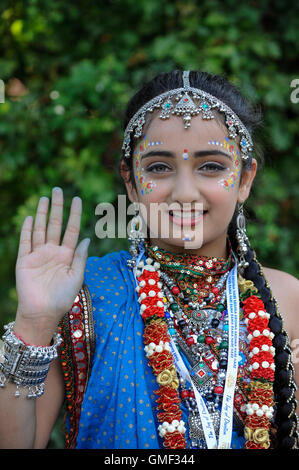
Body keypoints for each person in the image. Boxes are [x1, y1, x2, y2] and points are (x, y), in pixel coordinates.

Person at [0, 70, 298, 450]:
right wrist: (34, 323)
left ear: (244, 179)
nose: (185, 191)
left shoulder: (284, 298)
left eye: (211, 166)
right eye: (159, 167)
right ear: (131, 181)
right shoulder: (86, 293)